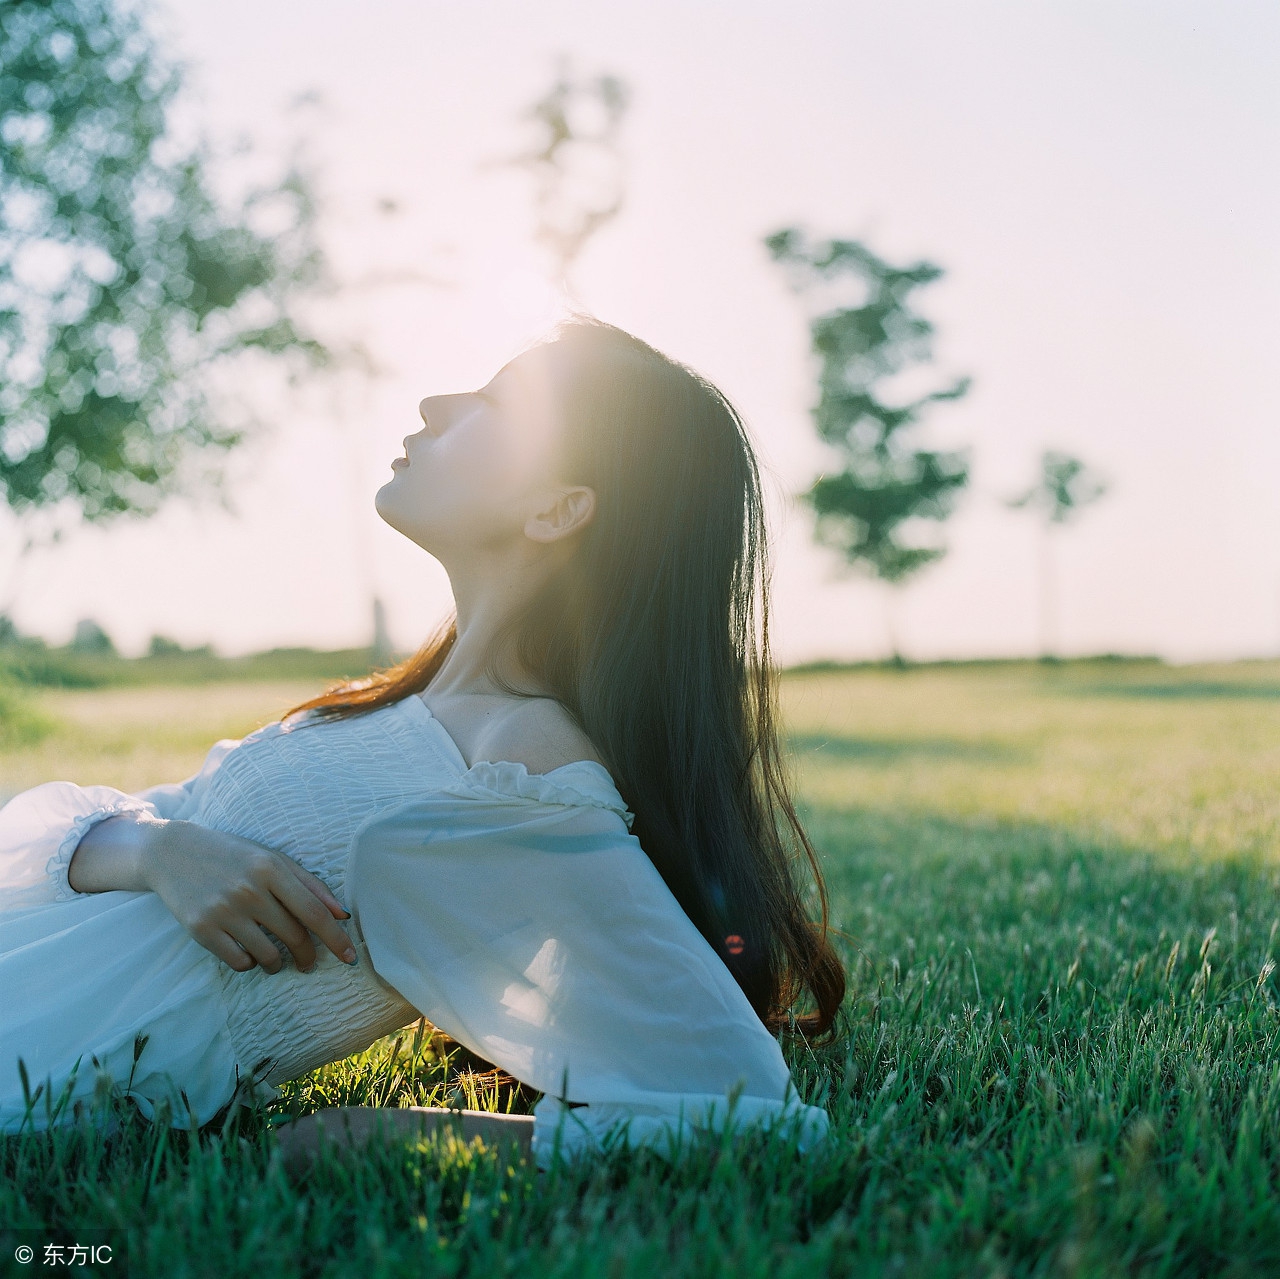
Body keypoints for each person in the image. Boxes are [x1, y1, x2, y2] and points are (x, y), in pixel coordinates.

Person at [0, 318, 845, 1171]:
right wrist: (157, 850)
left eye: (493, 402)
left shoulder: (525, 758)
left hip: (41, 1054)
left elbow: (746, 1111)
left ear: (556, 508)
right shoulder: (394, 707)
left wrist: (395, 1133)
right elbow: (87, 842)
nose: (436, 404)